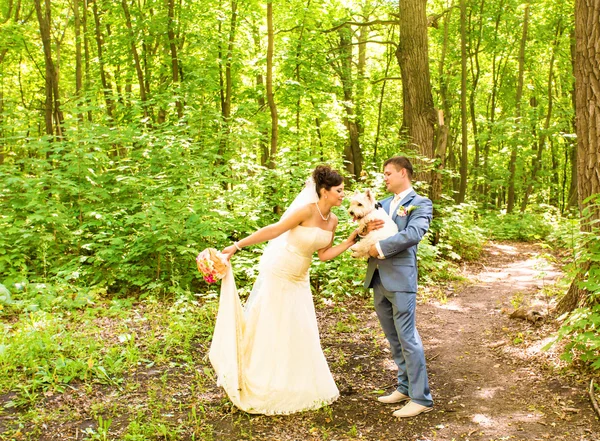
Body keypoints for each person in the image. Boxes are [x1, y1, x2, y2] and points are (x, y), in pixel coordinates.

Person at [210, 165, 360, 415]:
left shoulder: (332, 220)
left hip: (300, 278)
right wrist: (237, 245)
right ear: (324, 192)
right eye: (339, 190)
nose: (343, 195)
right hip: (279, 272)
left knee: (300, 328)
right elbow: (274, 230)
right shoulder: (305, 211)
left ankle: (295, 383)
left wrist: (349, 241)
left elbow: (323, 255)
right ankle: (262, 380)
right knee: (273, 325)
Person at [363, 156, 434, 418]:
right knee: (393, 339)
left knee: (408, 338)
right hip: (378, 277)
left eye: (388, 173)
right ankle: (404, 387)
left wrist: (380, 248)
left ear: (403, 173)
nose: (385, 178)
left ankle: (421, 398)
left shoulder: (420, 203)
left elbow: (414, 234)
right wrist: (364, 232)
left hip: (401, 278)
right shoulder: (380, 203)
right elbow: (365, 226)